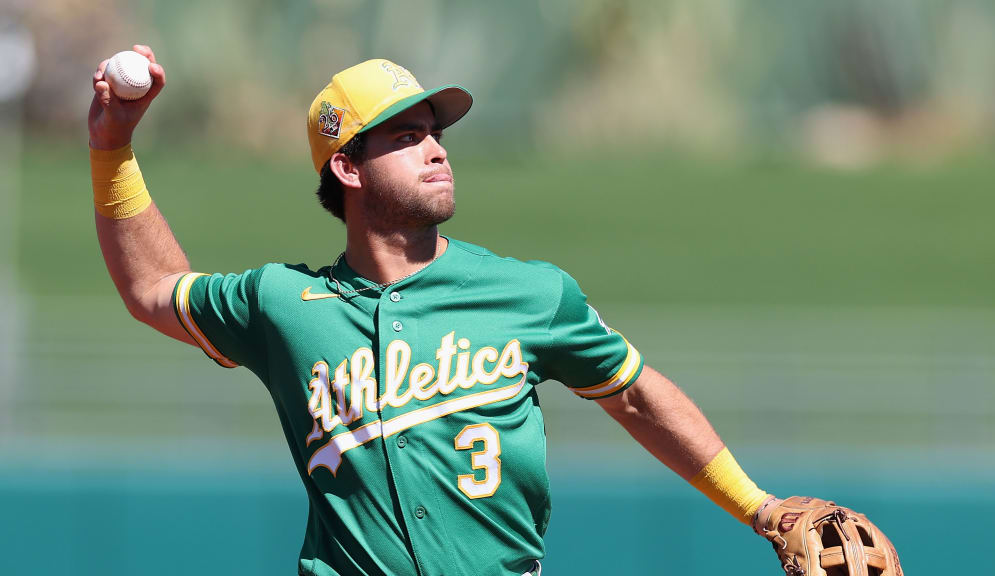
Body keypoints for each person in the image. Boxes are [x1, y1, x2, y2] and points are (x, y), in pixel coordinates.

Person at [89, 46, 901, 576]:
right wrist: (113, 147)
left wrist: (757, 507)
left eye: (435, 131)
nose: (437, 147)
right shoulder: (283, 305)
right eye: (405, 136)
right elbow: (152, 289)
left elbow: (637, 394)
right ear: (347, 166)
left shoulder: (532, 295)